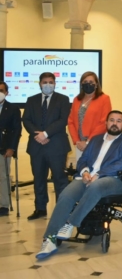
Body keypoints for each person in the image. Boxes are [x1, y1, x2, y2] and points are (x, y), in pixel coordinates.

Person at [35, 110, 122, 260]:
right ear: (106, 123)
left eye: (119, 121)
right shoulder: (95, 140)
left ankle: (70, 223)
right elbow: (83, 159)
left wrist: (99, 174)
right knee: (66, 194)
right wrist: (84, 172)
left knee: (97, 186)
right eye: (112, 120)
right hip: (87, 178)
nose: (115, 123)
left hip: (114, 180)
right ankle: (49, 239)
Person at [22, 72, 71, 220]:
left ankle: (61, 210)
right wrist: (39, 135)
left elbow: (63, 120)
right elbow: (26, 120)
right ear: (40, 84)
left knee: (60, 179)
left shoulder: (63, 99)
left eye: (51, 82)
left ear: (55, 83)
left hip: (56, 146)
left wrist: (46, 134)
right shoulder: (31, 100)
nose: (48, 84)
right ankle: (40, 208)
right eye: (45, 82)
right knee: (38, 179)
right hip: (37, 146)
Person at [68, 71, 112, 161]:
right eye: (85, 82)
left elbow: (104, 122)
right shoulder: (76, 99)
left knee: (94, 171)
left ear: (96, 84)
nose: (88, 84)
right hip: (80, 144)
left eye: (91, 82)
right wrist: (77, 141)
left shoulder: (104, 99)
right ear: (81, 84)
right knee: (81, 171)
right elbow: (71, 121)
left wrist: (88, 142)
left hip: (96, 142)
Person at [0, 81, 22, 216]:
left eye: (2, 90)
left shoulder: (13, 109)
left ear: (7, 93)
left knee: (3, 177)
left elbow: (16, 130)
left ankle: (3, 205)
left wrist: (12, 148)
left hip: (4, 148)